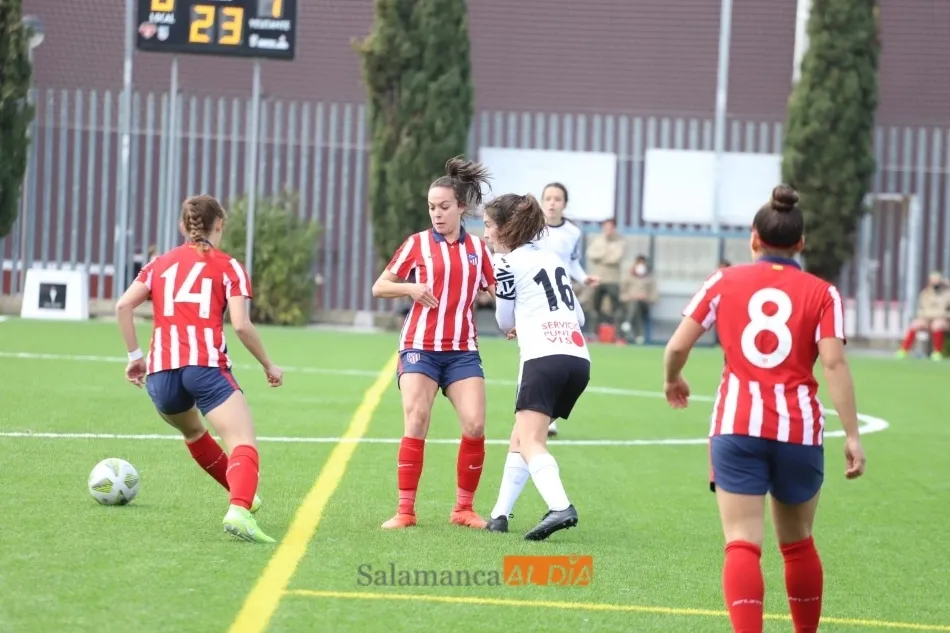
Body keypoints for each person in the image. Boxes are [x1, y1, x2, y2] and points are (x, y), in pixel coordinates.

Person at [662, 185, 866, 633]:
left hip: (737, 425)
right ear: (801, 243)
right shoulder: (824, 293)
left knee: (742, 543)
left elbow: (677, 346)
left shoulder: (723, 281)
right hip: (799, 430)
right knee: (797, 544)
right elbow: (834, 363)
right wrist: (852, 435)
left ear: (754, 238)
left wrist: (673, 378)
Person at [115, 194, 284, 544]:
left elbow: (123, 305)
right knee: (242, 441)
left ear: (183, 226)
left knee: (194, 433)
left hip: (161, 374)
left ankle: (242, 495)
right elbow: (241, 325)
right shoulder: (229, 267)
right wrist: (269, 364)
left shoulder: (158, 264)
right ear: (220, 225)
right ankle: (239, 510)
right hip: (205, 367)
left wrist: (135, 356)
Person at [370, 157, 497, 531]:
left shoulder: (479, 250)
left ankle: (463, 509)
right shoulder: (417, 244)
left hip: (462, 350)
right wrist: (410, 287)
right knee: (417, 418)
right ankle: (405, 511)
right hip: (420, 347)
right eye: (431, 208)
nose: (437, 214)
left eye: (444, 207)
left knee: (475, 424)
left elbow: (497, 292)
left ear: (461, 207)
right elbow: (380, 286)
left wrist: (514, 322)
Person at [481, 193, 590, 541]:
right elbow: (579, 316)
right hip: (578, 360)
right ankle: (499, 515)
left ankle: (560, 506)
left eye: (488, 225)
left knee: (530, 440)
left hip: (543, 359)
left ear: (505, 229)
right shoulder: (552, 258)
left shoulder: (506, 263)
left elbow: (503, 320)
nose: (485, 233)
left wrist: (520, 322)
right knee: (521, 434)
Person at [534, 182, 598, 437]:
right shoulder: (530, 227)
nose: (552, 203)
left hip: (561, 302)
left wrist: (584, 279)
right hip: (534, 300)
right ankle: (535, 412)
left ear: (564, 204)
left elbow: (572, 263)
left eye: (557, 199)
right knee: (536, 357)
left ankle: (550, 415)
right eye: (548, 198)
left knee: (560, 357)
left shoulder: (573, 232)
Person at [896, 270, 950, 360]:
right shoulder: (925, 293)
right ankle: (903, 350)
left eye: (937, 280)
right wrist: (928, 316)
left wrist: (942, 315)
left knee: (937, 325)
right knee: (915, 324)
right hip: (927, 318)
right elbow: (921, 310)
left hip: (944, 320)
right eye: (933, 280)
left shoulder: (947, 294)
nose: (935, 283)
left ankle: (937, 352)